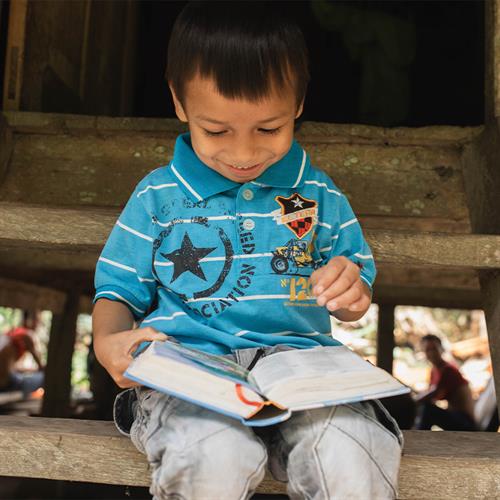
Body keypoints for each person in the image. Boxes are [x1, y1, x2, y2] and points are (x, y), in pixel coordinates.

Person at [92, 2, 403, 498]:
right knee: (213, 452)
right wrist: (106, 341)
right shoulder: (157, 196)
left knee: (350, 445)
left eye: (268, 129)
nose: (243, 154)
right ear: (178, 103)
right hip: (190, 374)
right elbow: (116, 290)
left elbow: (354, 296)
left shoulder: (320, 197)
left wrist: (352, 295)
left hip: (306, 375)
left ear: (299, 105)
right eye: (216, 131)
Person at [415, 334, 476, 431]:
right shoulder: (434, 370)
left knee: (427, 410)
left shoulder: (448, 370)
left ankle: (417, 439)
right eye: (428, 350)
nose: (432, 353)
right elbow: (430, 395)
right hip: (457, 417)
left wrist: (413, 400)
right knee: (424, 408)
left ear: (441, 349)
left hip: (466, 423)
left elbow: (433, 394)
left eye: (434, 348)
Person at [0, 310, 45, 397]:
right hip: (6, 383)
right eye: (38, 320)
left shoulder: (11, 334)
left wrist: (31, 370)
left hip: (4, 380)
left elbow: (11, 368)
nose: (39, 323)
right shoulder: (27, 336)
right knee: (44, 378)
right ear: (30, 320)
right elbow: (41, 368)